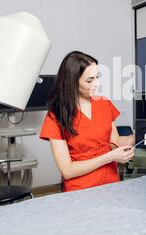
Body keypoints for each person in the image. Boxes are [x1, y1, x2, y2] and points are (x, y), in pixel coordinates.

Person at [39, 51, 135, 192]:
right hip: (80, 190)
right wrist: (110, 157)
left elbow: (114, 142)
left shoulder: (104, 103)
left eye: (97, 77)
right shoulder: (57, 115)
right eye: (90, 80)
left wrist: (145, 137)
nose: (96, 84)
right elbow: (68, 170)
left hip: (111, 183)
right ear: (71, 82)